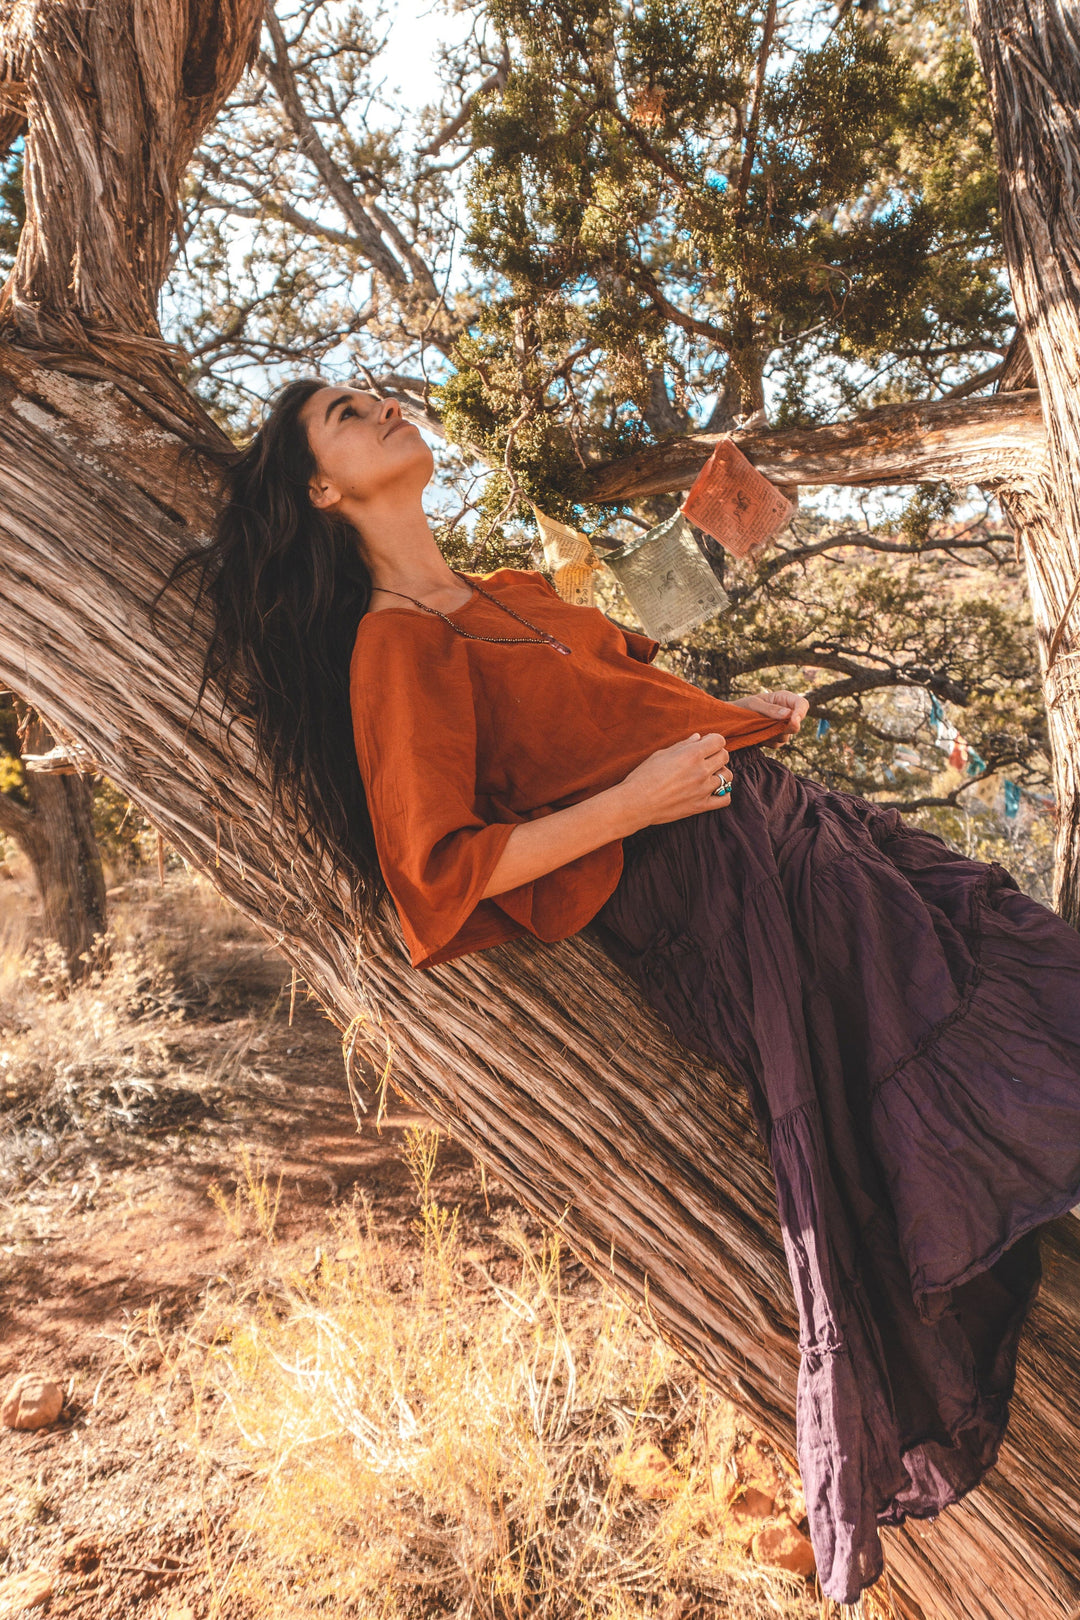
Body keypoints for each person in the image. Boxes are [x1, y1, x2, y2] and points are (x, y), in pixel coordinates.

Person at [189, 378, 1080, 1605]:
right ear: (322, 490)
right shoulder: (396, 644)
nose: (386, 404)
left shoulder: (501, 593)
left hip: (800, 831)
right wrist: (636, 805)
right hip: (718, 889)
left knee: (1033, 975)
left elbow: (618, 693)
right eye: (349, 412)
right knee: (985, 1048)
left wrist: (736, 713)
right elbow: (434, 881)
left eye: (381, 391)